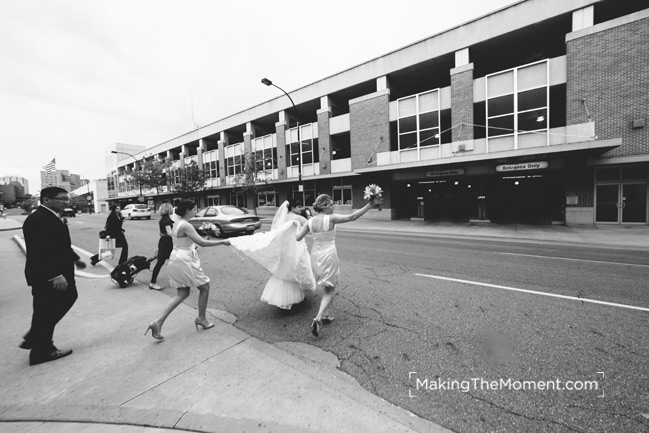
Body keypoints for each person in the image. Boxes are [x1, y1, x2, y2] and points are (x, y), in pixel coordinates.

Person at [296, 193, 383, 337]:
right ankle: (318, 318)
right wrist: (370, 205)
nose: (333, 206)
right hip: (329, 255)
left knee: (325, 286)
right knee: (330, 289)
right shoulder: (331, 218)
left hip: (316, 256)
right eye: (330, 204)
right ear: (324, 206)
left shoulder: (309, 222)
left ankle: (325, 315)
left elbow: (298, 237)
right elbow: (352, 217)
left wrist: (292, 227)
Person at [146, 200, 230, 341]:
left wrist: (206, 235)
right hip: (185, 260)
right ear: (187, 211)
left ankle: (157, 322)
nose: (195, 211)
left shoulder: (177, 224)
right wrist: (222, 241)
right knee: (205, 287)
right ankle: (201, 318)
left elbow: (188, 243)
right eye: (194, 209)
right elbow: (201, 242)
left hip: (177, 258)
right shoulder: (186, 225)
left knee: (182, 293)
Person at [21, 187, 86, 365]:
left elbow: (58, 245)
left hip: (56, 272)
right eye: (62, 199)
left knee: (46, 310)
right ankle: (41, 348)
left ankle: (37, 339)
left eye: (67, 199)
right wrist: (54, 275)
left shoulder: (50, 217)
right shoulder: (38, 219)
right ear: (47, 200)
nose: (66, 202)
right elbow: (39, 251)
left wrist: (75, 259)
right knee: (48, 309)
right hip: (48, 276)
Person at [258, 198, 309, 309]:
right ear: (293, 207)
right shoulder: (298, 217)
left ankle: (280, 297)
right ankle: (293, 297)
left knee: (285, 269)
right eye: (299, 206)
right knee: (294, 269)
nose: (301, 208)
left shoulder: (284, 217)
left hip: (285, 247)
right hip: (294, 246)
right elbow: (310, 226)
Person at [149, 203, 174, 290]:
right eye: (171, 208)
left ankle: (175, 280)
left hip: (164, 242)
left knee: (170, 261)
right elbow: (169, 233)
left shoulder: (163, 219)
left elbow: (162, 232)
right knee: (160, 262)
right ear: (167, 209)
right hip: (167, 243)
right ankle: (152, 283)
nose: (173, 209)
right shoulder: (166, 219)